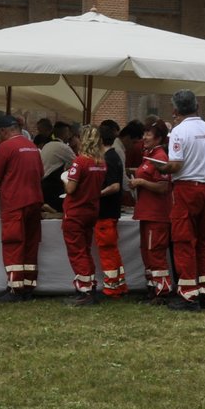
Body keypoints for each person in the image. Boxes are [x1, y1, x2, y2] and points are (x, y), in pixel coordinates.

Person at [152, 89, 205, 312]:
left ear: (175, 110)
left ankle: (188, 294)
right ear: (197, 106)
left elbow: (176, 165)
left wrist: (160, 166)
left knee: (183, 241)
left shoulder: (180, 132)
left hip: (186, 188)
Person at [0, 113, 44, 301]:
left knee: (13, 244)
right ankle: (28, 286)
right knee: (30, 244)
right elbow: (41, 173)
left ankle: (14, 288)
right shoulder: (32, 147)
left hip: (14, 202)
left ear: (3, 131)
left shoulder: (6, 146)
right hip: (35, 201)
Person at [56, 123, 109, 305]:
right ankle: (90, 286)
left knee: (77, 252)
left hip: (76, 211)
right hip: (91, 210)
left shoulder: (80, 161)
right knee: (85, 250)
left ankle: (84, 290)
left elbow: (71, 188)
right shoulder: (101, 163)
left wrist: (65, 179)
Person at [130, 120, 173, 302]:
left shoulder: (161, 157)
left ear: (159, 138)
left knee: (155, 251)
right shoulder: (149, 155)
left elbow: (163, 187)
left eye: (148, 134)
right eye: (145, 133)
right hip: (146, 212)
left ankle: (162, 291)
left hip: (157, 214)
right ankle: (152, 287)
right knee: (146, 251)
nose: (144, 137)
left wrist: (141, 182)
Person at [93, 119, 128, 298]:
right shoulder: (114, 155)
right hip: (111, 211)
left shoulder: (109, 158)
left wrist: (95, 194)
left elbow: (114, 185)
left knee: (107, 249)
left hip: (105, 211)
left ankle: (111, 288)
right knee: (112, 249)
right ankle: (119, 284)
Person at [39, 120, 75, 210]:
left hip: (42, 185)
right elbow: (77, 163)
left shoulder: (47, 145)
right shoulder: (63, 147)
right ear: (65, 134)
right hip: (52, 187)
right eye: (68, 133)